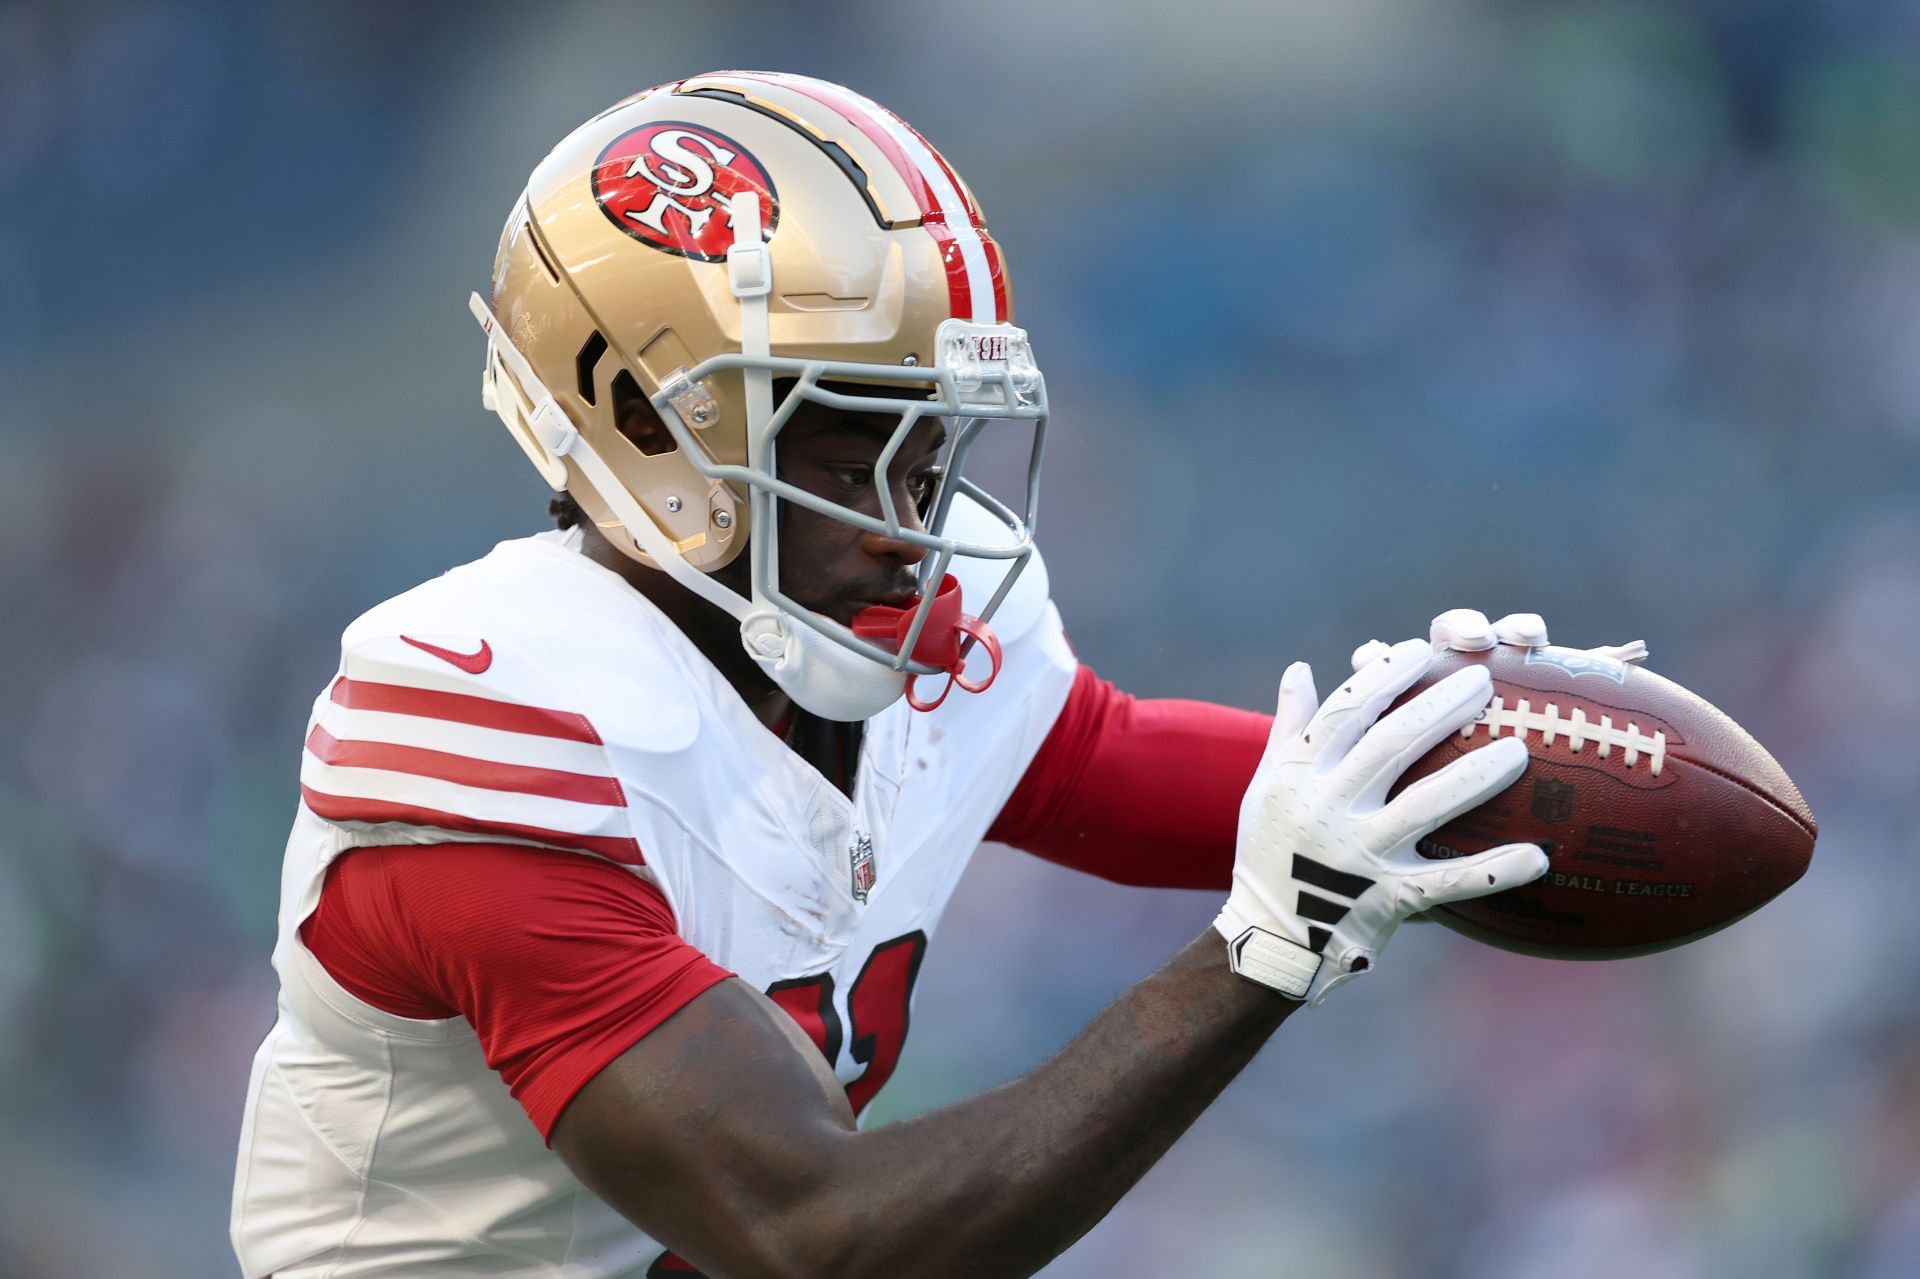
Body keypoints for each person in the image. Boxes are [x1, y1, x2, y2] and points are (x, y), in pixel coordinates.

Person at [230, 71, 1583, 1279]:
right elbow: (816, 1238)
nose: (909, 520)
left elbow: (1125, 769)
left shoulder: (879, 637)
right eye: (848, 446)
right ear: (643, 418)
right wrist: (1262, 955)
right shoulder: (486, 719)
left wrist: (1495, 746)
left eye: (930, 452)